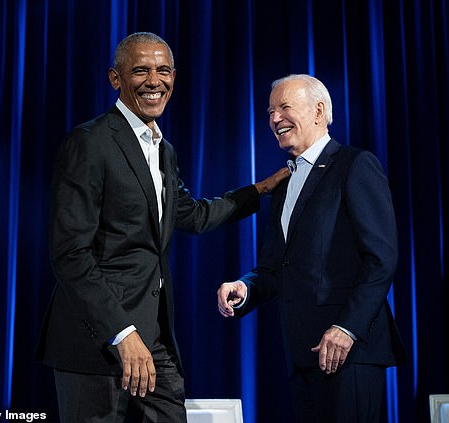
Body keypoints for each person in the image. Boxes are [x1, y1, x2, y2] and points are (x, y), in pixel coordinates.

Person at [35, 32, 288, 422]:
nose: (155, 81)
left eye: (163, 70)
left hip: (153, 339)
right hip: (95, 342)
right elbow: (70, 254)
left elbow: (192, 214)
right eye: (141, 71)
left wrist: (262, 190)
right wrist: (122, 332)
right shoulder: (90, 142)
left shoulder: (163, 149)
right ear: (115, 78)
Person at [217, 74, 406, 422]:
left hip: (350, 352)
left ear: (319, 111)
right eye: (271, 111)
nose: (275, 118)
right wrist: (245, 287)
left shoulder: (354, 165)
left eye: (285, 107)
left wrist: (347, 328)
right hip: (303, 354)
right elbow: (276, 267)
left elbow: (381, 258)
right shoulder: (284, 183)